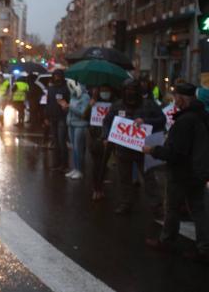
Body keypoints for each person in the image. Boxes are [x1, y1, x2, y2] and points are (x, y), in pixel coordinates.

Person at [143, 83, 209, 263]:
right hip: (198, 171)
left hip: (182, 172)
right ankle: (204, 248)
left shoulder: (186, 120)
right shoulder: (201, 115)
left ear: (181, 98)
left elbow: (175, 153)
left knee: (172, 207)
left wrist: (153, 150)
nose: (174, 100)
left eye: (175, 97)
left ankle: (167, 242)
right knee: (199, 210)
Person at [102, 78, 166, 214]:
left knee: (148, 178)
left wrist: (145, 121)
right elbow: (107, 121)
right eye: (127, 90)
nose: (130, 93)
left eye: (132, 90)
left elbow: (162, 120)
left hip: (143, 148)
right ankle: (125, 203)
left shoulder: (149, 105)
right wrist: (106, 136)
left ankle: (157, 205)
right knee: (124, 178)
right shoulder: (117, 105)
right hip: (123, 149)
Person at [85, 85, 115, 200]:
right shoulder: (94, 103)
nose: (105, 93)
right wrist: (90, 105)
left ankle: (100, 187)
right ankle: (96, 188)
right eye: (102, 91)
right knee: (96, 165)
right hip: (95, 138)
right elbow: (84, 117)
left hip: (108, 140)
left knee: (103, 165)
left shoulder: (114, 105)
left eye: (107, 90)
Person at [45, 69, 70, 172]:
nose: (57, 77)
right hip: (52, 118)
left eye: (58, 75)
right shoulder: (51, 89)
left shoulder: (66, 89)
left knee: (61, 141)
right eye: (55, 75)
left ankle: (64, 164)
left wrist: (66, 107)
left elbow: (69, 103)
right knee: (55, 142)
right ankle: (56, 163)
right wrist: (46, 117)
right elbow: (48, 103)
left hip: (62, 118)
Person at [65, 80, 90, 180]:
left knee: (78, 148)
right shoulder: (73, 96)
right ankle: (75, 168)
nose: (71, 88)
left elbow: (83, 112)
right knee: (74, 148)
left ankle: (80, 170)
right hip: (71, 124)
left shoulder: (85, 97)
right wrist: (67, 108)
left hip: (80, 125)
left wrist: (70, 107)